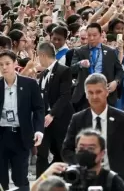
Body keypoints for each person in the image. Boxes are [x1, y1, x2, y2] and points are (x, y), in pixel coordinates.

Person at [61, 73, 124, 191]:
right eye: (90, 92)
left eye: (98, 92)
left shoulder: (123, 119)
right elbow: (66, 150)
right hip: (87, 181)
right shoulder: (78, 119)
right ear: (86, 94)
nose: (94, 96)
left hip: (120, 182)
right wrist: (83, 162)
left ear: (107, 91)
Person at [0, 50, 44, 191]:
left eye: (7, 63)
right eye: (1, 64)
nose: (4, 67)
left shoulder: (29, 84)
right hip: (2, 134)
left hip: (21, 135)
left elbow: (38, 109)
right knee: (1, 178)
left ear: (15, 64)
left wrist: (38, 130)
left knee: (20, 177)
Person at [36, 42, 74, 178]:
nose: (38, 59)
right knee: (42, 153)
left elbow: (65, 96)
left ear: (43, 55)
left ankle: (63, 181)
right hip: (45, 120)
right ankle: (40, 183)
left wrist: (52, 114)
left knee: (61, 152)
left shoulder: (64, 70)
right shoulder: (43, 73)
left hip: (60, 119)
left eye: (38, 56)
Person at [70, 22, 124, 111]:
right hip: (84, 96)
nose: (91, 38)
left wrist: (116, 82)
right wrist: (80, 64)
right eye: (89, 35)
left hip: (106, 93)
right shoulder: (79, 51)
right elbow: (71, 69)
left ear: (101, 34)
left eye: (94, 35)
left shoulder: (110, 51)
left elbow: (119, 71)